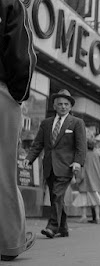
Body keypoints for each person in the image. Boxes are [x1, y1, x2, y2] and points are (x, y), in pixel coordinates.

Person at [0, 0, 37, 261]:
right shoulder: (12, 4)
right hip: (2, 93)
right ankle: (11, 240)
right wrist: (18, 95)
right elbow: (20, 55)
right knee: (3, 170)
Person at [24, 89, 86, 238]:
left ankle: (52, 226)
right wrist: (29, 158)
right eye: (60, 104)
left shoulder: (77, 123)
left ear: (70, 107)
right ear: (54, 105)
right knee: (55, 197)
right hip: (49, 166)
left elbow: (81, 146)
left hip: (67, 166)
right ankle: (63, 228)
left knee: (57, 194)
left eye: (66, 104)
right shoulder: (46, 123)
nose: (63, 107)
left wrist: (78, 163)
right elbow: (38, 144)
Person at [73, 139, 100, 224]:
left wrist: (77, 178)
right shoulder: (98, 154)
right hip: (96, 180)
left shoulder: (84, 155)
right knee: (96, 200)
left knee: (83, 198)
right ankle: (97, 217)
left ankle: (84, 216)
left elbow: (80, 167)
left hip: (86, 179)